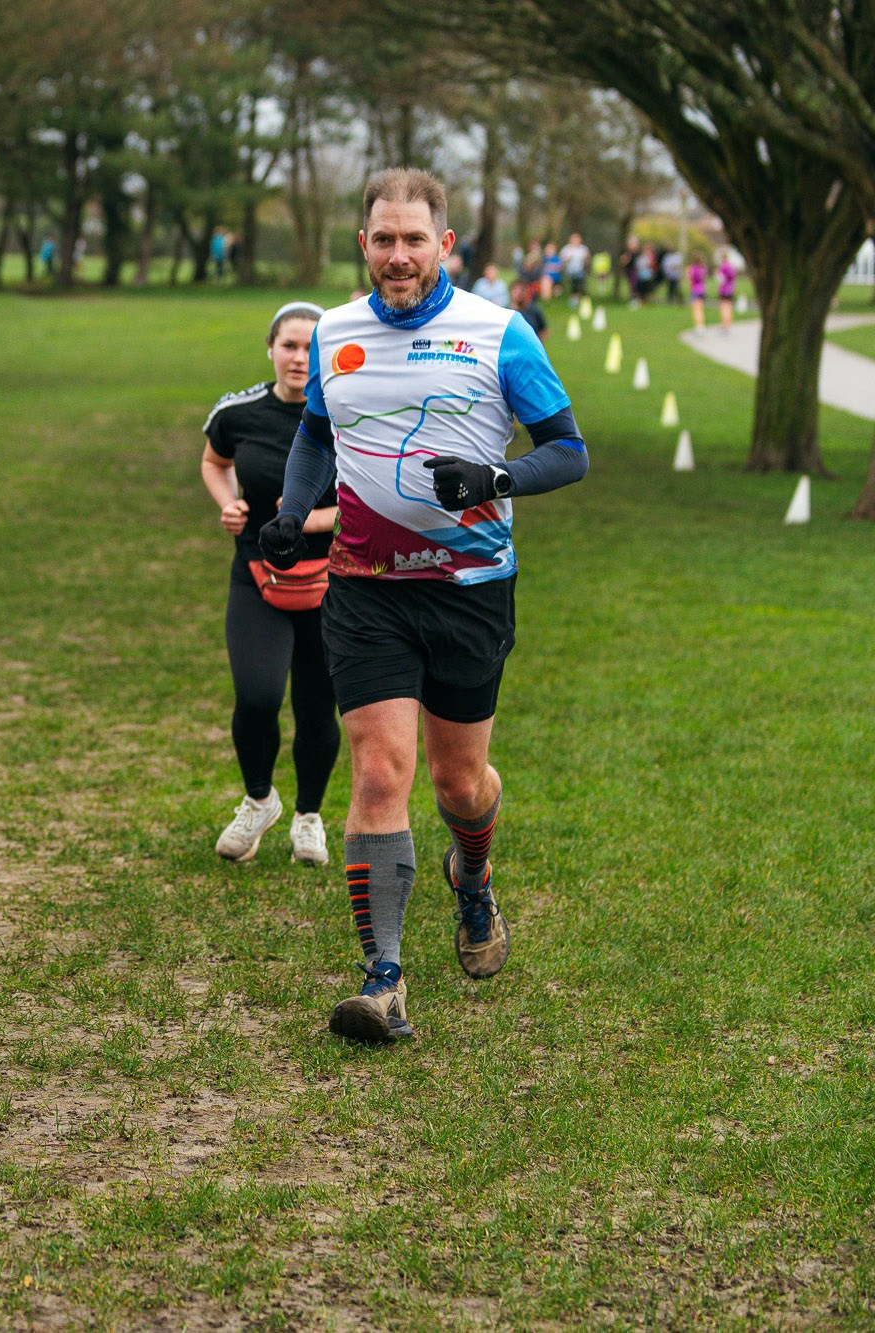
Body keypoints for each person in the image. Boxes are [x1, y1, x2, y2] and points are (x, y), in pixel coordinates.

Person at [258, 168, 589, 1044]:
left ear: (445, 245)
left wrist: (498, 476)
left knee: (459, 782)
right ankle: (384, 978)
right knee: (377, 772)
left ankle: (472, 878)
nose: (397, 256)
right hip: (366, 587)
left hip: (470, 591)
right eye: (382, 240)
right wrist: (294, 513)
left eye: (414, 240)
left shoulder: (499, 332)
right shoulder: (336, 332)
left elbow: (571, 450)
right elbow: (317, 435)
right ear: (361, 244)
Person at [200, 301, 340, 866]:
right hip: (256, 575)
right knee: (256, 697)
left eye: (312, 347)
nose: (300, 358)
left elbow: (373, 499)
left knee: (315, 708)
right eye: (290, 345)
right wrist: (228, 503)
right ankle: (259, 800)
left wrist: (312, 519)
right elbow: (214, 462)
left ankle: (309, 815)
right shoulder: (238, 412)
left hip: (331, 582)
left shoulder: (348, 413)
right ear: (271, 348)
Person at [559, 233, 590, 300]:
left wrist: (586, 261)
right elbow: (561, 260)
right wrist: (567, 259)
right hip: (569, 271)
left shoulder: (583, 249)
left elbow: (587, 260)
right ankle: (574, 297)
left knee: (580, 280)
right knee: (574, 281)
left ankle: (578, 297)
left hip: (580, 270)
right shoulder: (566, 249)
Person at [717, 251, 739, 331]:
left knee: (723, 307)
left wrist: (716, 274)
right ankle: (728, 325)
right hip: (730, 289)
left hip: (724, 290)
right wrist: (733, 288)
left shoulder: (723, 267)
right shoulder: (732, 267)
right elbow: (734, 279)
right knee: (729, 307)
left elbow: (721, 279)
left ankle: (724, 325)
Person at [687, 253, 708, 330]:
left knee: (696, 310)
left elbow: (690, 280)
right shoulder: (703, 268)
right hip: (703, 290)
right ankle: (702, 325)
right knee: (701, 310)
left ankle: (699, 327)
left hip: (695, 290)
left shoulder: (692, 269)